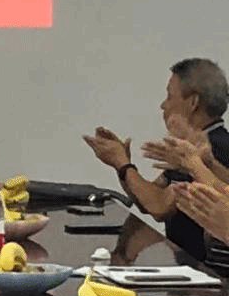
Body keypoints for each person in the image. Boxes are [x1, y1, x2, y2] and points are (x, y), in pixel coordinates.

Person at [83, 58, 229, 263]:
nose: (163, 105)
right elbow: (149, 197)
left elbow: (159, 206)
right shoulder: (196, 148)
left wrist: (123, 164)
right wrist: (123, 166)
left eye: (169, 96)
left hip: (203, 271)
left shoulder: (216, 146)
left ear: (193, 102)